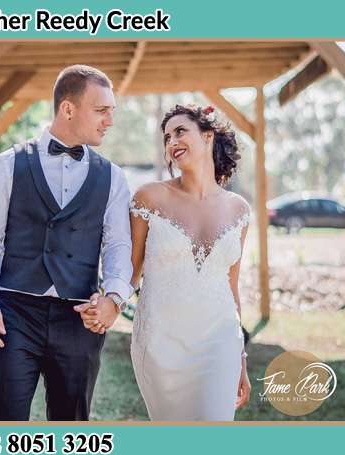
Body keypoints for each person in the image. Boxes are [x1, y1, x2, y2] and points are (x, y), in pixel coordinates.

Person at [0, 65, 134, 421]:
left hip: (79, 318)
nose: (109, 120)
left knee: (71, 425)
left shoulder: (114, 177)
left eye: (112, 111)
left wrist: (115, 297)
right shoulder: (8, 164)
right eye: (101, 110)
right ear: (68, 109)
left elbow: (119, 245)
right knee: (3, 419)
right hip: (13, 314)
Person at [83, 104, 251, 420]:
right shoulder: (149, 198)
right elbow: (130, 271)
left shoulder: (239, 210)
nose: (171, 142)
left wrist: (240, 356)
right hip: (161, 344)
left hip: (220, 341)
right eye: (167, 137)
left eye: (180, 132)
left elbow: (231, 287)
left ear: (208, 136)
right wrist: (110, 303)